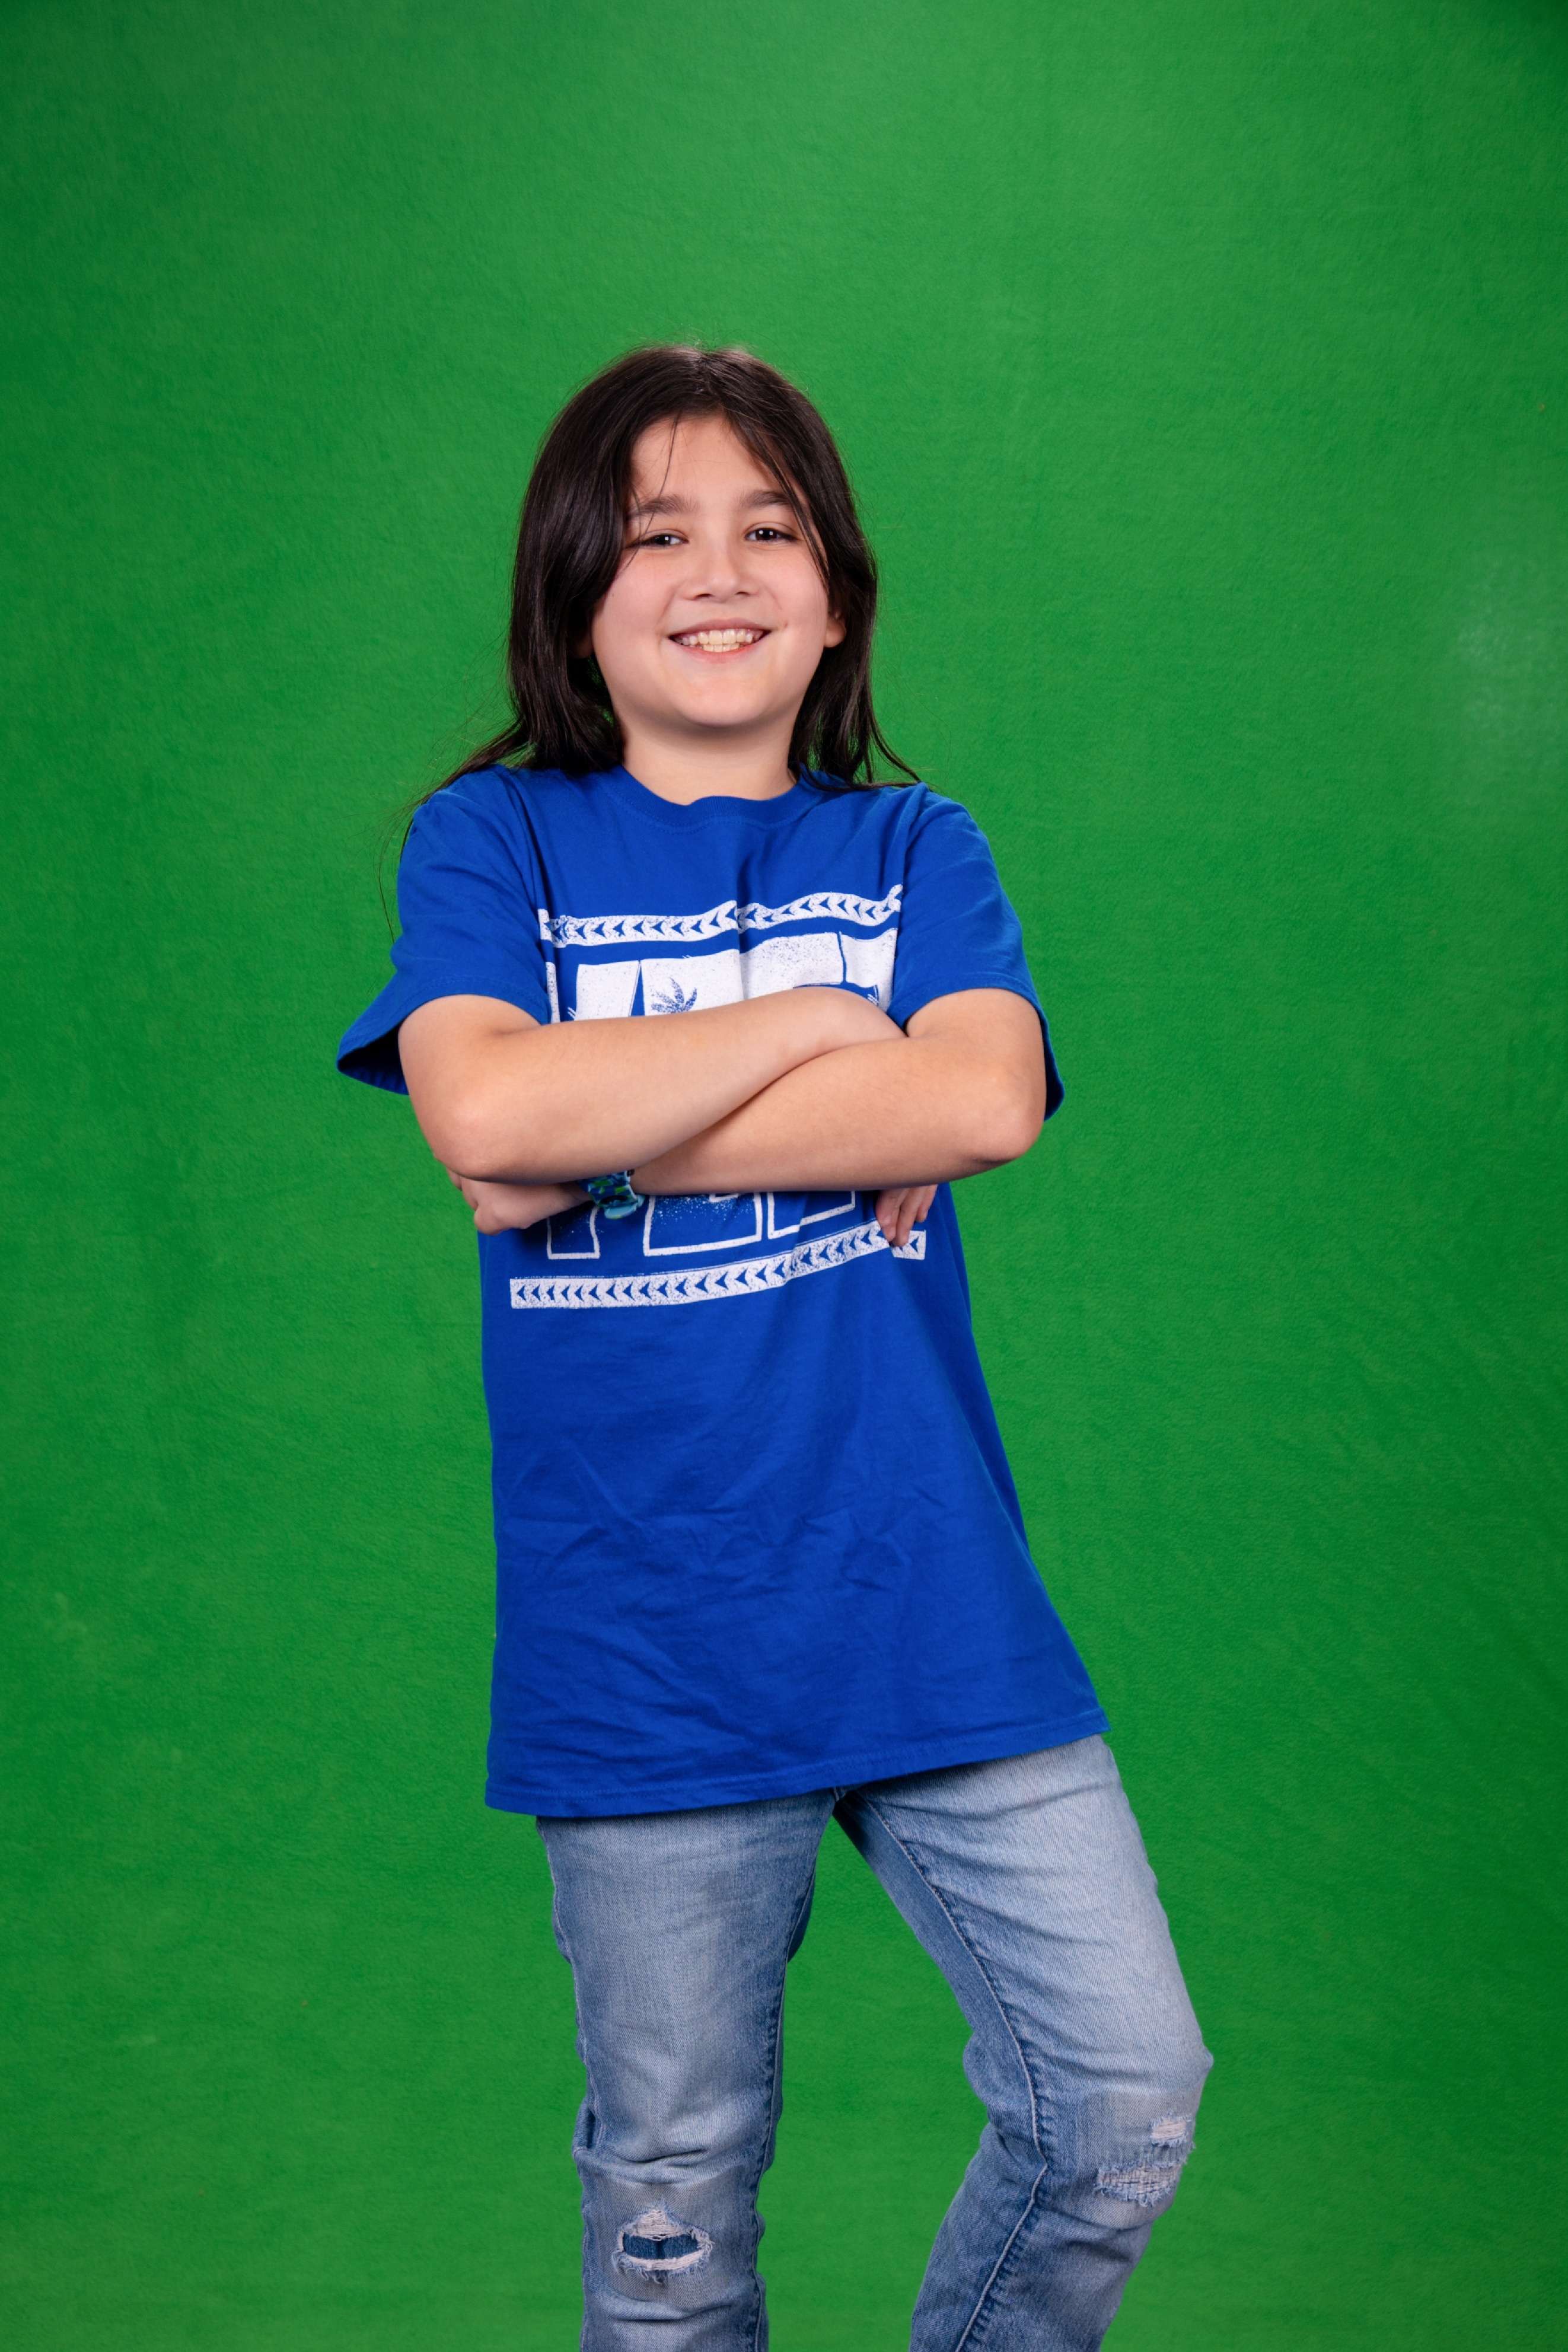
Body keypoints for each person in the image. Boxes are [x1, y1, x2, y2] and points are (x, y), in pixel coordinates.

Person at [337, 344, 1210, 2351]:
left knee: (1120, 2099)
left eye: (770, 528)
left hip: (929, 1599)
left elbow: (977, 1102)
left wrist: (594, 1120)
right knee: (672, 2199)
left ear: (835, 598)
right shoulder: (492, 844)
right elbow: (483, 1118)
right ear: (574, 593)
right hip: (644, 1635)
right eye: (656, 534)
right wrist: (828, 1029)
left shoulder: (914, 852)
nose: (717, 572)